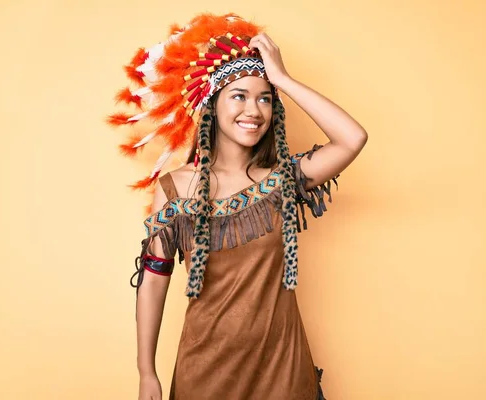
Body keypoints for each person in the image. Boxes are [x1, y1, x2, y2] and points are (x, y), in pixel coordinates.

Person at [108, 13, 367, 400]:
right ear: (212, 103)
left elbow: (352, 138)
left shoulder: (282, 180)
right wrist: (147, 371)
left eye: (265, 98)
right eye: (239, 96)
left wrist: (283, 79)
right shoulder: (176, 188)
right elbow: (153, 282)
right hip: (206, 369)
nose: (255, 110)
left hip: (281, 368)